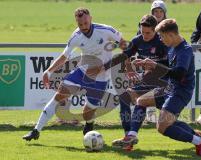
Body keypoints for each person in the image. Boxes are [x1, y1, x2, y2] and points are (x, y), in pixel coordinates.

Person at [22, 8, 125, 141]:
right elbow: (64, 56)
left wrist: (104, 67)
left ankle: (89, 124)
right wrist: (49, 71)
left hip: (101, 79)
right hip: (81, 73)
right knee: (59, 96)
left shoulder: (106, 30)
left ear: (91, 19)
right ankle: (36, 130)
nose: (83, 27)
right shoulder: (76, 36)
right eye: (80, 24)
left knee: (87, 113)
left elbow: (126, 48)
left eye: (86, 23)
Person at [115, 19, 201, 156]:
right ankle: (131, 136)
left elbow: (179, 74)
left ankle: (199, 141)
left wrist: (155, 65)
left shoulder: (185, 51)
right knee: (141, 101)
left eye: (162, 36)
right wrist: (148, 65)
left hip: (180, 92)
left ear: (171, 34)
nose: (161, 39)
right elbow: (167, 68)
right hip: (169, 88)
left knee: (162, 127)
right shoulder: (172, 46)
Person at [113, 14, 168, 146]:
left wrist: (149, 64)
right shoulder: (137, 40)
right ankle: (128, 136)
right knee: (125, 96)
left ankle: (195, 136)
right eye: (142, 32)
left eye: (148, 33)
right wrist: (129, 69)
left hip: (165, 83)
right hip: (148, 81)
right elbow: (125, 54)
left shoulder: (163, 42)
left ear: (155, 30)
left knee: (169, 123)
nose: (144, 35)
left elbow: (171, 68)